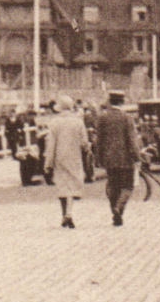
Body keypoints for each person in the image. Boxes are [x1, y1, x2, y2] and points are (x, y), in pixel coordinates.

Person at [94, 89, 143, 226]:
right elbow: (132, 139)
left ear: (110, 101)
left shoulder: (102, 118)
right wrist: (137, 156)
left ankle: (114, 210)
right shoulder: (127, 118)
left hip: (109, 159)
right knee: (127, 186)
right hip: (125, 158)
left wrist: (98, 158)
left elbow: (99, 140)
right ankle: (119, 207)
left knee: (112, 185)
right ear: (122, 102)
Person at [42, 95, 89, 229]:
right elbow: (84, 142)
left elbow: (50, 145)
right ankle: (69, 213)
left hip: (59, 157)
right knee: (73, 185)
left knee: (62, 186)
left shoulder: (54, 123)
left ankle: (65, 214)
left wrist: (48, 163)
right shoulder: (78, 122)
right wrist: (85, 149)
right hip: (75, 157)